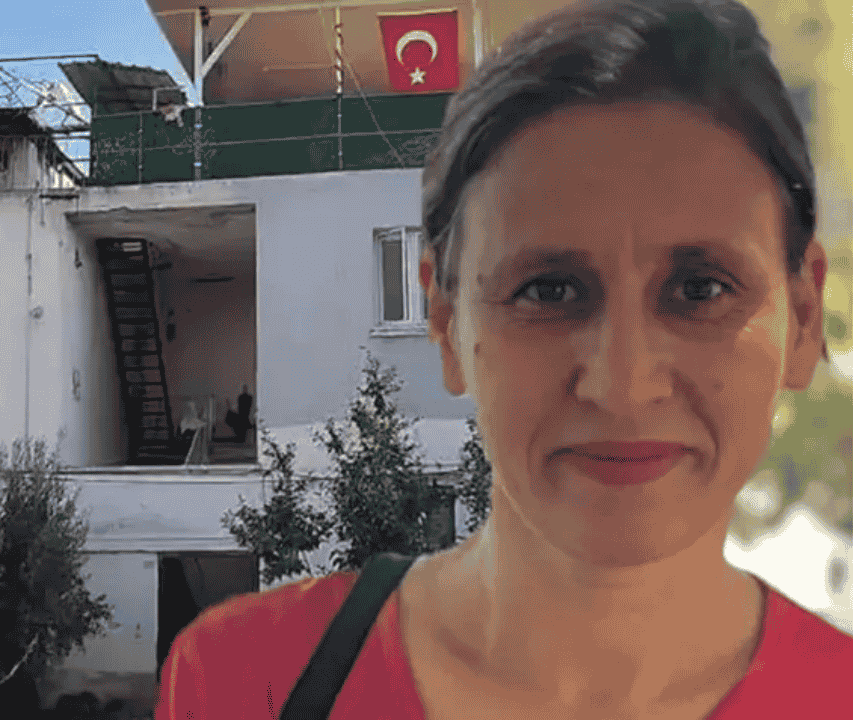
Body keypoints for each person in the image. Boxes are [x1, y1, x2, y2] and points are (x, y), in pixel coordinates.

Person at [155, 1, 852, 718]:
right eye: (549, 290)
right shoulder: (243, 682)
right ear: (445, 321)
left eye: (701, 289)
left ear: (802, 321)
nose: (623, 385)